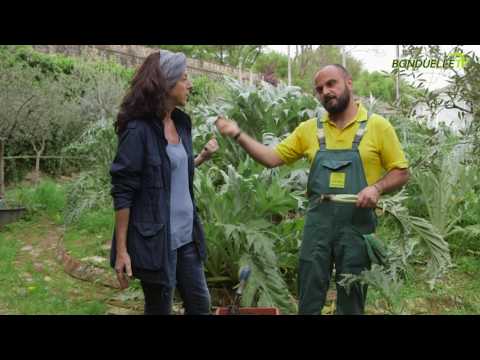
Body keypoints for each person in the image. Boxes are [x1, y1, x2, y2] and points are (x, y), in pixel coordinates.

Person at [215, 64, 410, 315]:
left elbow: (401, 171)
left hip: (357, 226)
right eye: (319, 89)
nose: (325, 91)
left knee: (352, 295)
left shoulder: (377, 126)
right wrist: (238, 134)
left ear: (348, 83)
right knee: (309, 292)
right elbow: (272, 158)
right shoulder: (309, 129)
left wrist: (377, 188)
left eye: (331, 84)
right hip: (318, 225)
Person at [110, 50, 218, 315]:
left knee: (200, 305)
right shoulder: (138, 130)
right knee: (159, 308)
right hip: (156, 241)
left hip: (186, 235)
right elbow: (123, 191)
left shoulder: (181, 123)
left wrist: (201, 157)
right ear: (166, 85)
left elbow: (170, 172)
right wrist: (122, 251)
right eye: (184, 78)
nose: (190, 84)